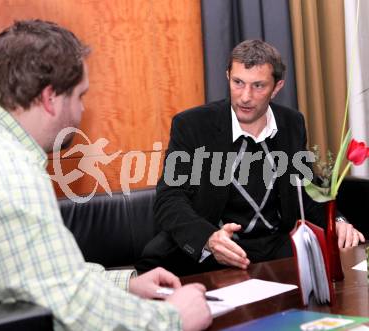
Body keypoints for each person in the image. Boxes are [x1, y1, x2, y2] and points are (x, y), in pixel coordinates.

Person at [0, 20, 212, 331]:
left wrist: (126, 284)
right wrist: (174, 318)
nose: (80, 112)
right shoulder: (3, 170)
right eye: (80, 96)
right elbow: (69, 310)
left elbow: (41, 274)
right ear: (51, 99)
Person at [137, 39, 365, 276]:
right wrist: (207, 239)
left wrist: (337, 222)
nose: (245, 96)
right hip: (212, 254)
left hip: (276, 250)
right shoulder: (193, 126)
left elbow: (306, 189)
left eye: (258, 86)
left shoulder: (291, 123)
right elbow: (170, 198)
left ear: (276, 87)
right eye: (238, 83)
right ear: (228, 76)